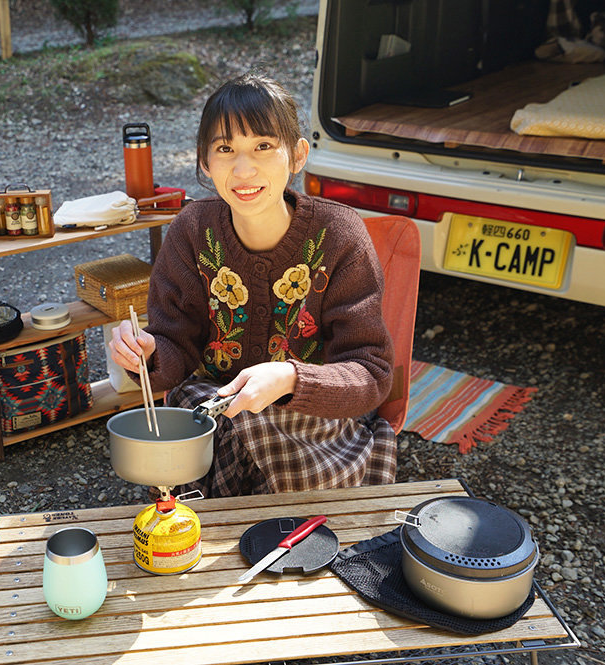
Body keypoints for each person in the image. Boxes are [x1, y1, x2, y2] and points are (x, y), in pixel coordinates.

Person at [108, 72, 396, 498]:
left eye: (263, 146)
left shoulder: (338, 235)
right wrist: (147, 353)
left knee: (290, 479)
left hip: (312, 416)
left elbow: (371, 374)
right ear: (205, 162)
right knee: (205, 428)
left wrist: (290, 379)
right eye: (226, 149)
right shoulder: (191, 231)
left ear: (297, 155)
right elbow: (175, 349)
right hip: (213, 405)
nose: (243, 170)